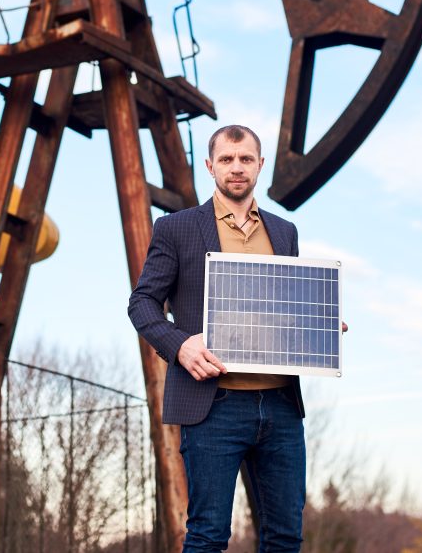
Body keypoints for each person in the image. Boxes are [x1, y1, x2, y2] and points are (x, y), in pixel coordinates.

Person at [129, 124, 311, 552]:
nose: (236, 167)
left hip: (282, 407)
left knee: (285, 537)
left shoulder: (285, 233)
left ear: (260, 166)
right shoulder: (175, 228)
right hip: (214, 405)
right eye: (227, 159)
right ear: (210, 166)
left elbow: (285, 307)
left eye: (246, 159)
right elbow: (142, 304)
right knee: (209, 535)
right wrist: (179, 345)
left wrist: (317, 328)